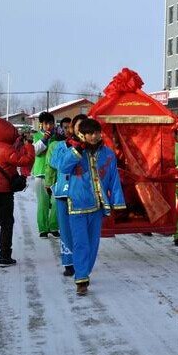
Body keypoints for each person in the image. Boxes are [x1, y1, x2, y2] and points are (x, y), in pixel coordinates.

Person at [57, 118, 126, 295]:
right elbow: (63, 168)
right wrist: (77, 150)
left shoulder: (108, 154)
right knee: (81, 244)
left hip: (97, 207)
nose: (94, 136)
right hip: (77, 206)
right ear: (83, 135)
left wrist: (117, 201)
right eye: (90, 133)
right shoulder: (75, 151)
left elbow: (113, 179)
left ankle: (84, 272)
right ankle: (81, 279)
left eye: (97, 132)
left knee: (93, 244)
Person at [45, 114, 87, 276]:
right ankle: (69, 262)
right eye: (77, 126)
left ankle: (81, 260)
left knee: (81, 230)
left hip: (83, 194)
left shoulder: (90, 148)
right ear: (72, 129)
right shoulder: (59, 146)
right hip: (63, 192)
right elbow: (54, 164)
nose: (79, 130)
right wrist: (49, 183)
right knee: (66, 229)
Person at [0, 118, 35, 267]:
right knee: (6, 223)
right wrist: (29, 145)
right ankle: (5, 256)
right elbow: (25, 160)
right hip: (3, 192)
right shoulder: (4, 148)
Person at [31, 111, 60, 238]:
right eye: (46, 123)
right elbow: (34, 151)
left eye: (51, 123)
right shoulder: (36, 136)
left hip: (55, 174)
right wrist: (44, 139)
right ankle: (43, 228)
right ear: (41, 124)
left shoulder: (57, 137)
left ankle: (54, 226)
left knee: (56, 202)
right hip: (41, 173)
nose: (49, 126)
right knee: (42, 202)